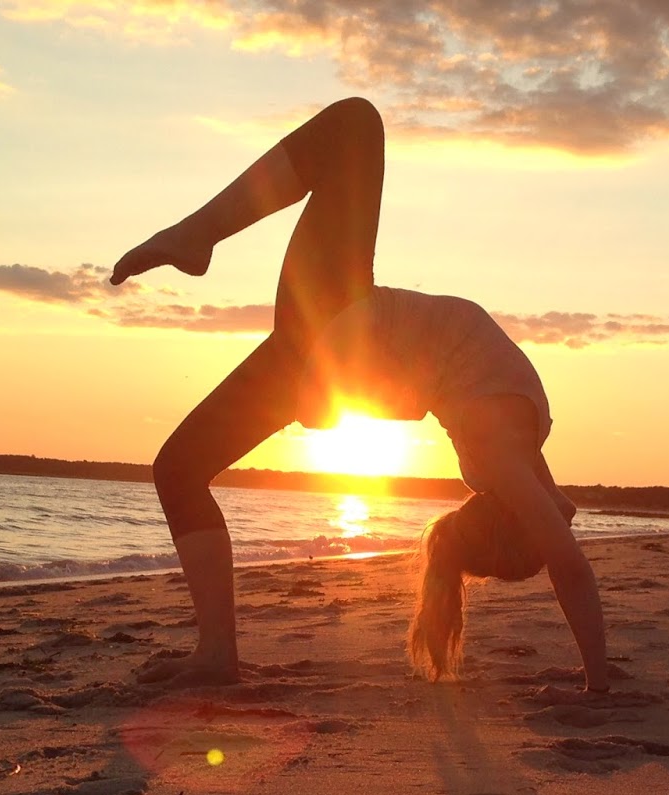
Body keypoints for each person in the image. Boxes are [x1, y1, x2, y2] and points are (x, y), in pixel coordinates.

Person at [109, 97, 608, 692]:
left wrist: (598, 681)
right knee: (179, 470)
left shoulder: (500, 450)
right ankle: (216, 654)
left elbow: (570, 565)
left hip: (338, 321)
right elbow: (561, 514)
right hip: (328, 346)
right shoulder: (518, 452)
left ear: (515, 515)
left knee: (354, 127)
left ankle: (196, 235)